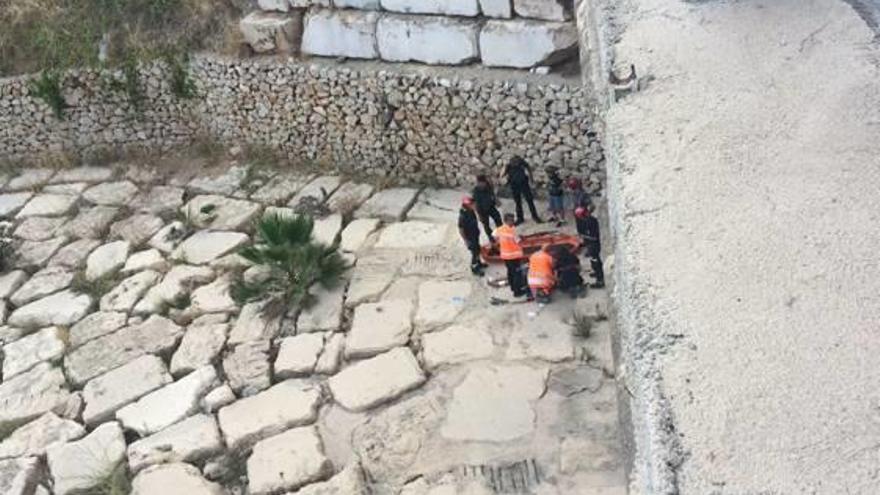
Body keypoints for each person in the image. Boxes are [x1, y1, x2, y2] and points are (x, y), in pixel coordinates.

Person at [493, 213, 529, 298]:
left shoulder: (500, 229)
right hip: (513, 256)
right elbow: (518, 241)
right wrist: (521, 238)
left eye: (513, 220)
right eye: (511, 220)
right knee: (517, 273)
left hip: (505, 255)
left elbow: (494, 235)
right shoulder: (512, 231)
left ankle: (513, 287)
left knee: (510, 272)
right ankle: (517, 292)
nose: (513, 222)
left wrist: (499, 243)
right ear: (506, 221)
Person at [499, 156, 542, 225]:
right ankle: (520, 218)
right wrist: (504, 176)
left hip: (523, 183)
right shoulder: (508, 166)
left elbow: (529, 170)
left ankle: (535, 216)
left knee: (529, 200)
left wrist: (531, 179)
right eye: (513, 162)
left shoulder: (523, 163)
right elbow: (502, 175)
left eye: (516, 162)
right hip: (514, 184)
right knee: (518, 202)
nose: (515, 164)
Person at [575, 206, 605, 288]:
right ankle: (597, 272)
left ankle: (600, 280)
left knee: (596, 261)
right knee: (593, 260)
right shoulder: (587, 220)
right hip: (591, 244)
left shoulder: (591, 222)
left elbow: (594, 237)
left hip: (594, 244)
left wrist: (583, 236)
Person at [458, 195, 487, 276]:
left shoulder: (470, 211)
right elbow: (461, 230)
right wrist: (466, 241)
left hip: (475, 234)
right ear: (467, 206)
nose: (474, 205)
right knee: (475, 253)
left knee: (478, 249)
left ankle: (479, 263)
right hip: (470, 237)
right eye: (472, 204)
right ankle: (475, 268)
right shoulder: (463, 216)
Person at [472, 174, 502, 241]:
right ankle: (491, 238)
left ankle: (502, 233)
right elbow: (475, 203)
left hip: (491, 206)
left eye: (483, 183)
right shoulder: (475, 191)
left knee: (498, 219)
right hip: (482, 210)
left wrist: (496, 200)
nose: (482, 184)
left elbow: (492, 194)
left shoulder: (488, 186)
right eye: (480, 183)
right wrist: (479, 214)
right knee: (486, 225)